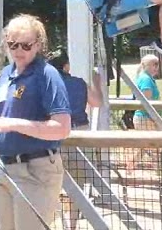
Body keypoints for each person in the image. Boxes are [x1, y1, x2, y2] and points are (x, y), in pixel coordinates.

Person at [0, 14, 71, 230]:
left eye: (26, 45)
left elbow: (61, 128)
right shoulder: (6, 74)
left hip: (34, 171)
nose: (18, 50)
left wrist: (9, 123)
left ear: (37, 45)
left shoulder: (47, 75)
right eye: (12, 44)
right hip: (3, 169)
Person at [49, 51, 104, 230]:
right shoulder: (79, 83)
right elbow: (97, 102)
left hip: (55, 135)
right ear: (66, 66)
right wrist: (97, 84)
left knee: (52, 181)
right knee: (78, 183)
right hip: (80, 134)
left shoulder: (47, 85)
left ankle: (54, 221)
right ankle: (71, 224)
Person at [131, 55, 161, 130]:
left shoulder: (147, 78)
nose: (156, 67)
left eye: (157, 64)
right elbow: (146, 101)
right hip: (146, 118)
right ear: (144, 65)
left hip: (147, 118)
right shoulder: (145, 79)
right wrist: (154, 119)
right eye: (153, 64)